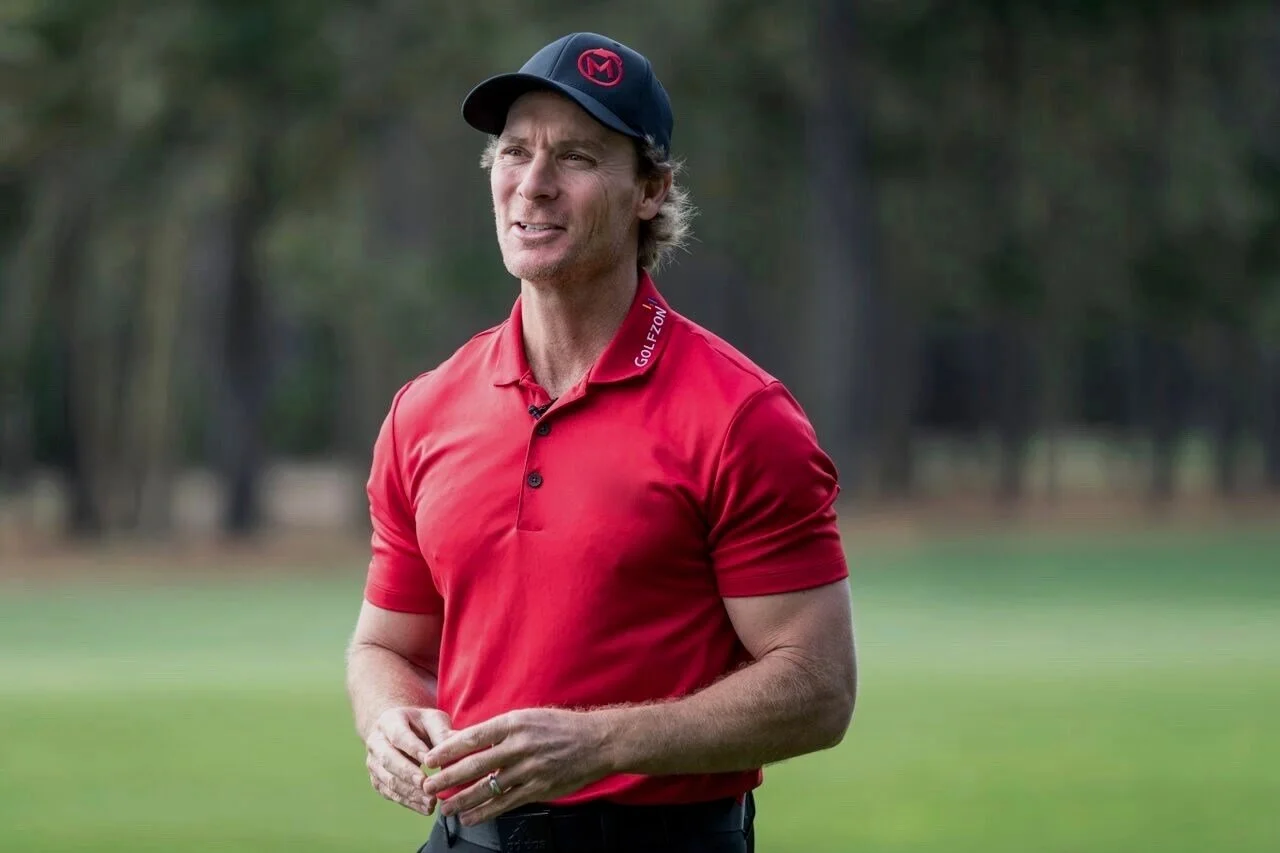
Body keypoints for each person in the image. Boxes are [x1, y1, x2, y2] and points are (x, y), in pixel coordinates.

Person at [345, 31, 857, 853]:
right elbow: (383, 643)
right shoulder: (423, 410)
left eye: (577, 158)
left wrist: (598, 745)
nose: (534, 185)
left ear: (649, 190)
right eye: (514, 152)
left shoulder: (740, 415)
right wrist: (386, 719)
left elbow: (819, 689)